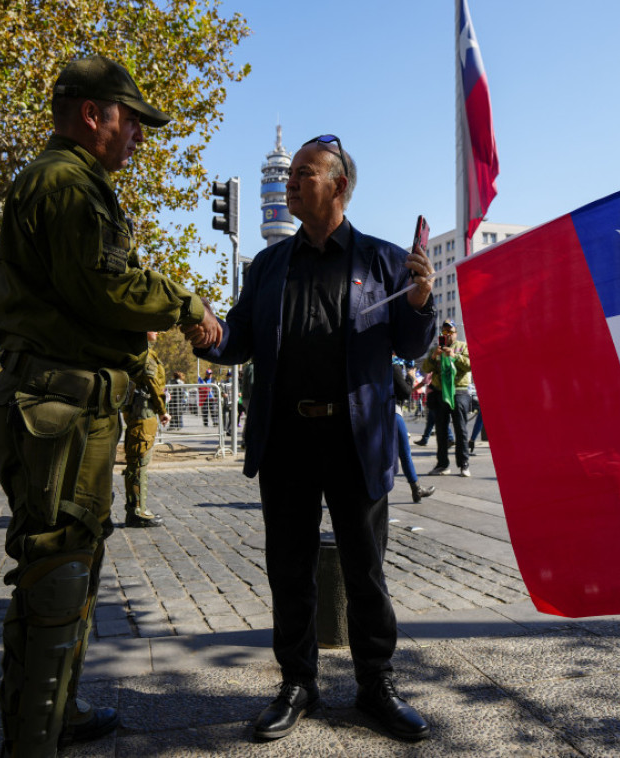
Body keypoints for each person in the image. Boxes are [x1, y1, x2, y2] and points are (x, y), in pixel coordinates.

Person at [0, 55, 221, 757]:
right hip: (59, 407)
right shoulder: (66, 183)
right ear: (93, 114)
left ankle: (52, 713)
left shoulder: (65, 181)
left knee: (65, 566)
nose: (139, 137)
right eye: (132, 121)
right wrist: (185, 303)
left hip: (65, 406)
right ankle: (34, 739)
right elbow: (105, 286)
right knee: (57, 573)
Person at [190, 134, 435, 743]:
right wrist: (205, 334)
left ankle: (375, 682)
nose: (293, 181)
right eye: (290, 173)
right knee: (289, 568)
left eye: (305, 173)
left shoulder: (381, 261)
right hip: (288, 438)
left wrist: (424, 298)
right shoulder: (268, 264)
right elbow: (239, 339)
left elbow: (409, 345)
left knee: (365, 570)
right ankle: (297, 682)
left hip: (357, 439)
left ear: (339, 187)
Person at [122, 332, 170, 528]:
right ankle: (137, 512)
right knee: (139, 463)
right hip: (144, 414)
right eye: (153, 327)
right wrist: (162, 411)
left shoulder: (137, 353)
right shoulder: (145, 356)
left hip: (139, 413)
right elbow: (153, 385)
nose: (157, 332)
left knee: (137, 462)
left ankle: (136, 509)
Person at [421, 320, 472, 477]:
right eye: (444, 332)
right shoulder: (436, 349)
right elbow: (425, 368)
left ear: (456, 333)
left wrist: (455, 356)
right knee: (441, 430)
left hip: (459, 392)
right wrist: (434, 356)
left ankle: (463, 464)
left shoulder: (463, 347)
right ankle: (442, 464)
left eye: (450, 332)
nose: (447, 335)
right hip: (440, 392)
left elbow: (470, 365)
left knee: (460, 429)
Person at [394, 361, 435, 502]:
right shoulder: (393, 367)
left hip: (375, 413)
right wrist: (410, 377)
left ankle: (416, 489)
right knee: (405, 453)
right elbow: (405, 392)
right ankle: (416, 489)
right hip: (392, 413)